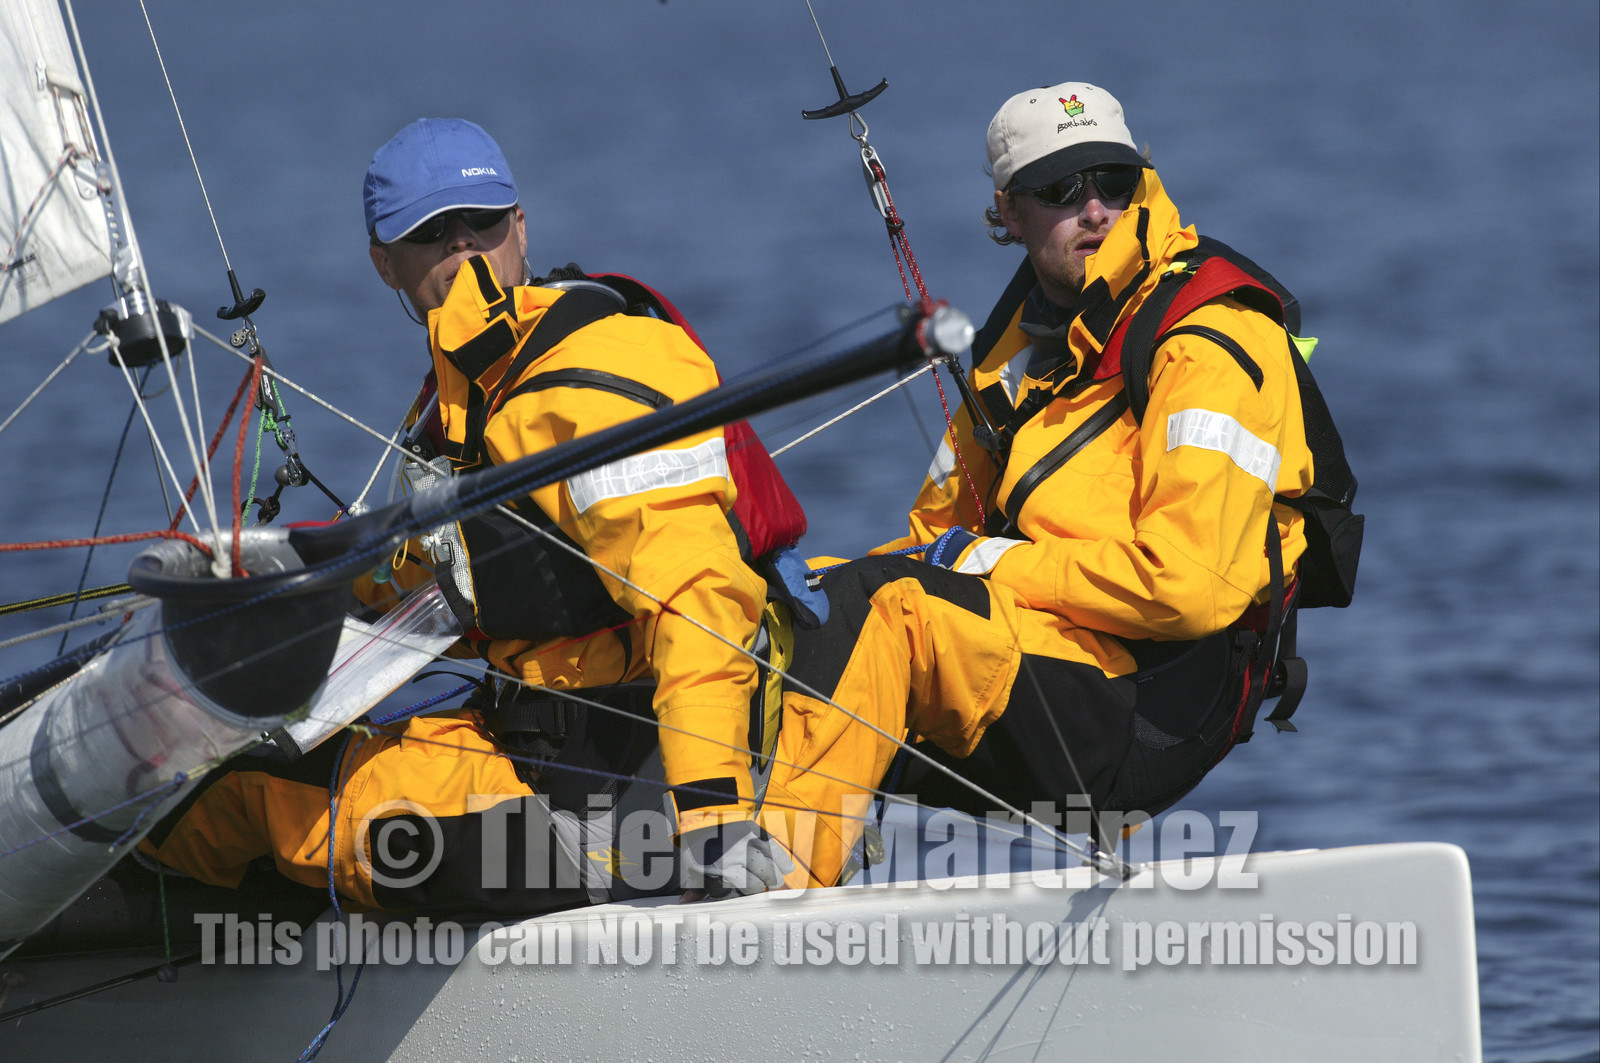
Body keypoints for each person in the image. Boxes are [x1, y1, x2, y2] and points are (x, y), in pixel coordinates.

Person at [142, 119, 797, 913]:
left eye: (482, 224)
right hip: (548, 767)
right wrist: (309, 587)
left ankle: (107, 900)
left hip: (638, 809)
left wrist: (713, 818)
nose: (465, 254)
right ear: (385, 264)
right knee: (227, 750)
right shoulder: (465, 398)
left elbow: (696, 598)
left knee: (234, 787)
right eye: (431, 235)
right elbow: (445, 566)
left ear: (520, 227)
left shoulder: (590, 371)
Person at [765, 82, 1320, 887]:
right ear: (1009, 213)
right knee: (793, 619)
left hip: (1160, 704)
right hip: (1056, 665)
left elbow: (1190, 587)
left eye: (1114, 181)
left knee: (890, 615)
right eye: (1063, 190)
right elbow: (935, 544)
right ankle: (667, 862)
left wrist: (991, 564)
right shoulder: (1009, 358)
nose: (1095, 208)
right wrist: (812, 588)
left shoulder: (1210, 341)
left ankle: (772, 892)